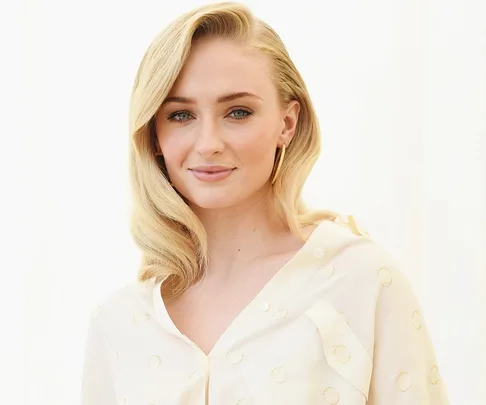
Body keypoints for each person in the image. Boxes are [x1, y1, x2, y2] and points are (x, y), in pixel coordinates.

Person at [80, 2, 449, 404]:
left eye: (237, 112)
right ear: (154, 136)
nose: (208, 144)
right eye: (181, 115)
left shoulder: (361, 281)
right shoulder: (119, 324)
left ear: (287, 123)